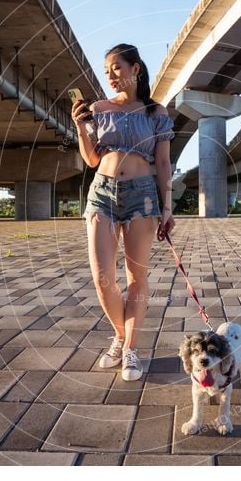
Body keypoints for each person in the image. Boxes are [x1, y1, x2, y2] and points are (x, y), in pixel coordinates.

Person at [71, 44, 176, 381]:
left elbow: (162, 162)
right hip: (101, 193)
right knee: (103, 280)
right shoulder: (98, 108)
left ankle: (130, 349)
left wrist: (167, 207)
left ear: (135, 69)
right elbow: (91, 159)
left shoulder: (156, 113)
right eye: (107, 71)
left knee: (136, 279)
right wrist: (78, 125)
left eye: (116, 67)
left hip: (143, 197)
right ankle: (120, 335)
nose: (110, 76)